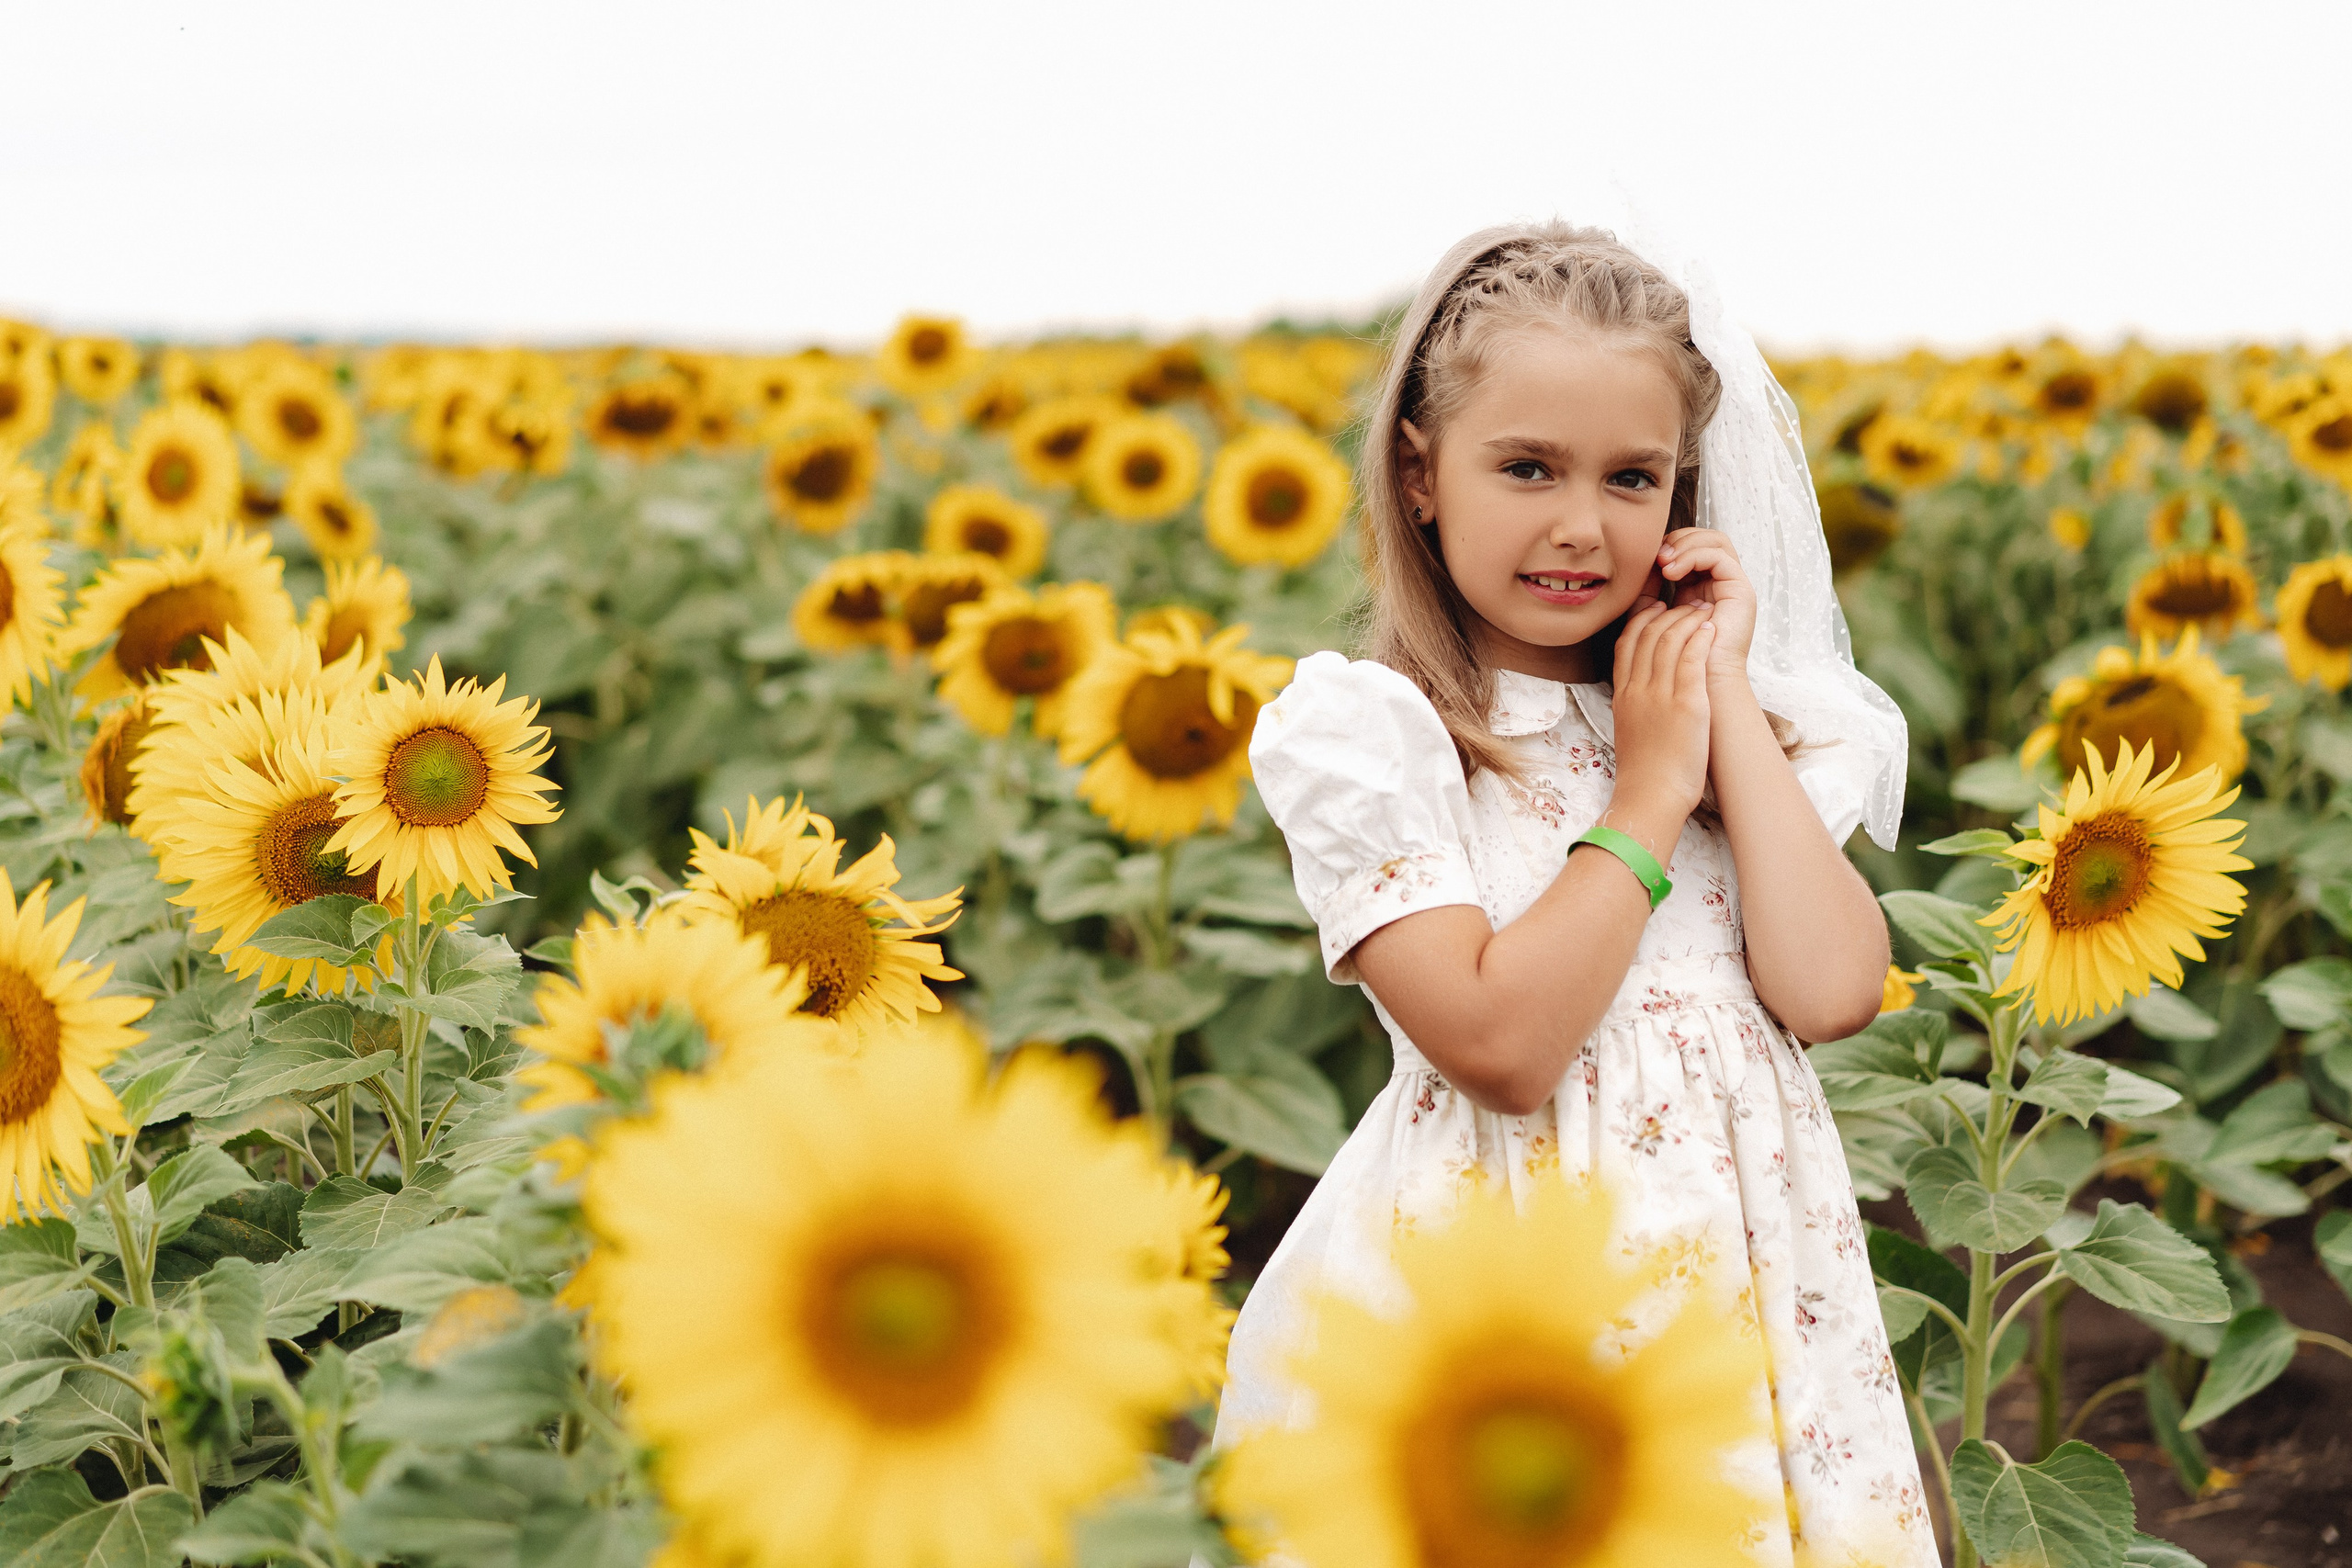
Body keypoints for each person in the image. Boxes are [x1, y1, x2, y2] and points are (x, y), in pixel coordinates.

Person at [1212, 222, 1935, 1563]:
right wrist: (1648, 796)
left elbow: (1835, 990)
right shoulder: (1381, 736)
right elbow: (1501, 1046)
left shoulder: (1711, 722)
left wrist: (1713, 692)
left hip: (1743, 1281)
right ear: (1422, 475)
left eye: (1632, 479)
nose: (1579, 525)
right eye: (1528, 466)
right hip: (1507, 1292)